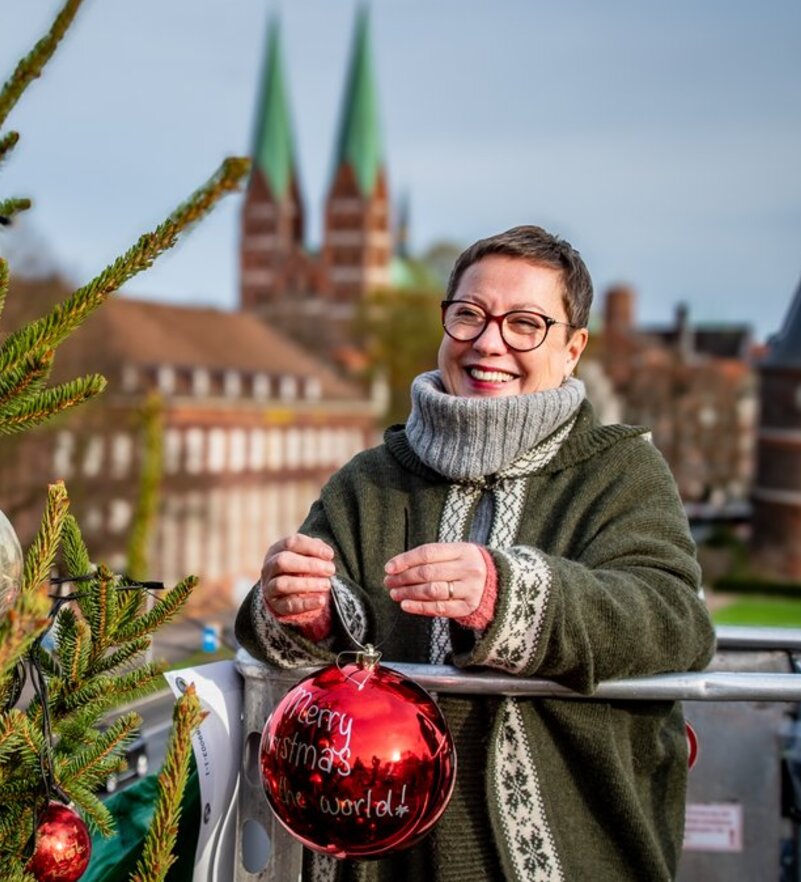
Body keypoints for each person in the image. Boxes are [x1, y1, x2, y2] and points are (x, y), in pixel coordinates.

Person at [236, 225, 716, 882]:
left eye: (525, 324)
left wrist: (507, 593)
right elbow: (296, 641)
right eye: (469, 315)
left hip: (565, 862)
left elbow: (673, 622)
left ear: (573, 348)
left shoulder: (619, 471)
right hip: (380, 860)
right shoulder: (371, 477)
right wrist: (299, 611)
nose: (489, 342)